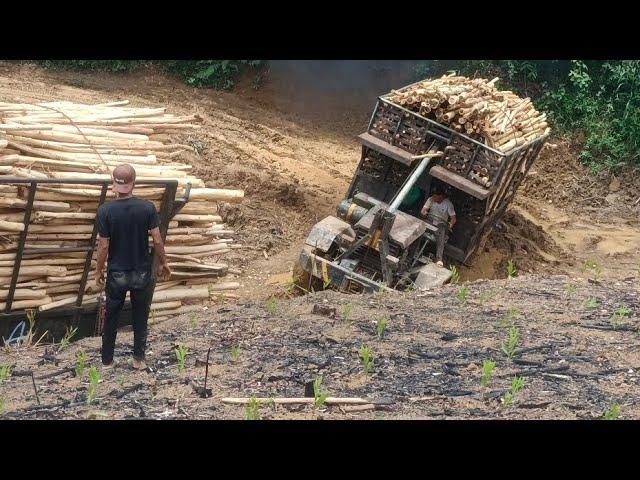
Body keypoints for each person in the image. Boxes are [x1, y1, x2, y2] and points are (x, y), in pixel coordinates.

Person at [95, 164, 171, 370]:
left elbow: (103, 245)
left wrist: (98, 270)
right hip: (141, 272)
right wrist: (163, 261)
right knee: (140, 315)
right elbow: (157, 239)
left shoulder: (105, 211)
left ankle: (107, 361)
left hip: (117, 273)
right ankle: (138, 359)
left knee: (112, 317)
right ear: (133, 184)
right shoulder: (147, 208)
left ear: (113, 184)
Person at [420, 187, 457, 267]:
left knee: (441, 237)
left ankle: (439, 259)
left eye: (436, 196)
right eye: (433, 196)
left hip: (440, 224)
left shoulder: (448, 204)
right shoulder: (430, 199)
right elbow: (423, 210)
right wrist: (424, 212)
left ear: (441, 196)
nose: (434, 198)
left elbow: (453, 218)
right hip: (430, 220)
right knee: (420, 228)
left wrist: (450, 224)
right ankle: (413, 248)